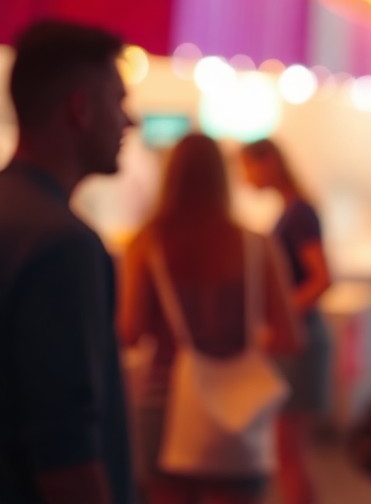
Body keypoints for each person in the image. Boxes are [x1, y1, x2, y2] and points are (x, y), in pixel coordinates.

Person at [119, 133, 302, 503]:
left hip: (165, 402)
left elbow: (130, 331)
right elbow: (289, 338)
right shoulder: (255, 245)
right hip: (238, 409)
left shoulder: (146, 244)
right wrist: (245, 341)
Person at [0, 21, 136, 504]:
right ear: (81, 108)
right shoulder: (64, 245)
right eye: (119, 101)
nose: (130, 121)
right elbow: (67, 452)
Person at [240, 138, 333, 504]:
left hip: (301, 339)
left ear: (270, 164)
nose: (246, 177)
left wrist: (283, 312)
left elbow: (322, 277)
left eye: (249, 166)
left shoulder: (298, 214)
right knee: (290, 451)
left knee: (288, 450)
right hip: (300, 337)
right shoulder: (293, 211)